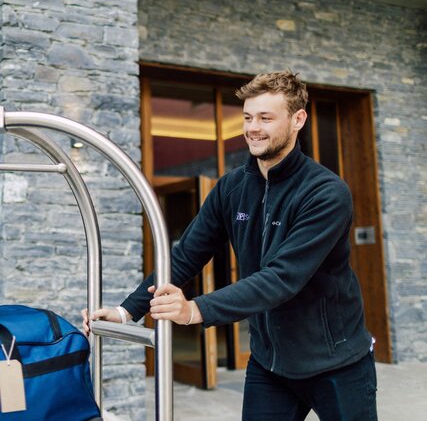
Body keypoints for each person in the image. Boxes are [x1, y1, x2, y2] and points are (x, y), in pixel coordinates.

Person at [82, 70, 377, 421]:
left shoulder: (326, 193)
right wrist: (127, 311)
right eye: (249, 117)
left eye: (266, 118)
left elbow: (281, 278)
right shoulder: (231, 188)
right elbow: (185, 255)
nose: (253, 128)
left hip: (337, 363)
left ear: (298, 119)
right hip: (270, 363)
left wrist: (195, 310)